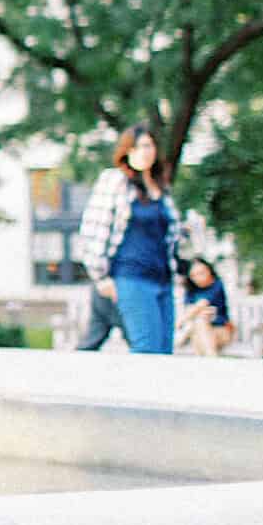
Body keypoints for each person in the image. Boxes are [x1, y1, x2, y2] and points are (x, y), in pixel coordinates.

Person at [75, 123, 183, 355]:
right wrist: (100, 277)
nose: (145, 151)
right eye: (138, 147)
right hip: (131, 277)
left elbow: (172, 239)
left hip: (163, 279)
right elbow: (93, 229)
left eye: (149, 145)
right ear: (127, 152)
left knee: (165, 351)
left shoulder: (161, 188)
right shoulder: (115, 181)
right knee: (147, 349)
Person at [179, 256, 234, 357]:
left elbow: (201, 304)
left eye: (201, 273)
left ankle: (210, 362)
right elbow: (190, 310)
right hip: (200, 331)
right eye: (193, 275)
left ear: (209, 270)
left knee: (199, 323)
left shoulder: (217, 285)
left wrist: (179, 323)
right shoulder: (191, 290)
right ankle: (212, 360)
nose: (198, 278)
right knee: (199, 324)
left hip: (222, 331)